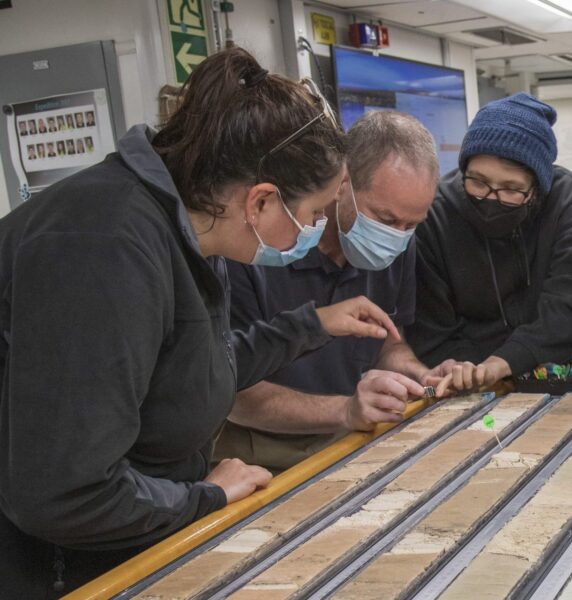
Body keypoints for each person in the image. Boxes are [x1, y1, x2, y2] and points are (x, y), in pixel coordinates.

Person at [0, 48, 401, 595]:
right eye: (314, 214)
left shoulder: (193, 227)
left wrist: (310, 325)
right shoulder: (104, 245)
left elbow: (192, 368)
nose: (316, 231)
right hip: (58, 566)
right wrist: (205, 498)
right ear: (260, 201)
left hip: (131, 529)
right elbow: (65, 494)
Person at [216, 111, 468, 472]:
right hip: (259, 460)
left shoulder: (398, 246)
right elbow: (234, 393)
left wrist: (420, 376)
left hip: (352, 439)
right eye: (385, 219)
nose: (396, 235)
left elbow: (386, 340)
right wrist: (346, 410)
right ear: (342, 184)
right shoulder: (254, 249)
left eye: (411, 224)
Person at [408, 93, 572, 388]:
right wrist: (475, 373)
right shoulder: (436, 215)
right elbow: (431, 328)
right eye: (477, 181)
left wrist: (505, 362)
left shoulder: (563, 199)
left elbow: (569, 306)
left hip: (550, 369)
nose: (491, 198)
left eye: (511, 189)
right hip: (467, 381)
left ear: (538, 188)